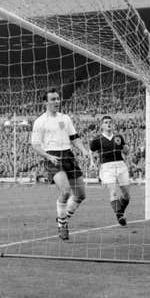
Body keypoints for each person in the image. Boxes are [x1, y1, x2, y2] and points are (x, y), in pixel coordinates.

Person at [30, 88, 93, 241]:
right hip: (53, 157)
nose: (56, 101)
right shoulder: (40, 121)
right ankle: (62, 224)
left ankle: (62, 217)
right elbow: (35, 145)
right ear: (45, 102)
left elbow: (75, 137)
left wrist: (84, 150)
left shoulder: (65, 118)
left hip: (68, 156)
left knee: (80, 195)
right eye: (53, 99)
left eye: (58, 98)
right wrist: (48, 156)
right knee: (65, 191)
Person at [89, 115, 131, 226]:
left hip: (121, 165)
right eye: (106, 122)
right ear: (102, 125)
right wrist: (92, 162)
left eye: (110, 122)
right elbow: (90, 150)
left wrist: (126, 149)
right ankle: (120, 216)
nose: (108, 124)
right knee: (113, 192)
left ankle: (120, 210)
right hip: (107, 167)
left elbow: (126, 151)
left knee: (126, 195)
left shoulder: (118, 137)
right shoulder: (97, 139)